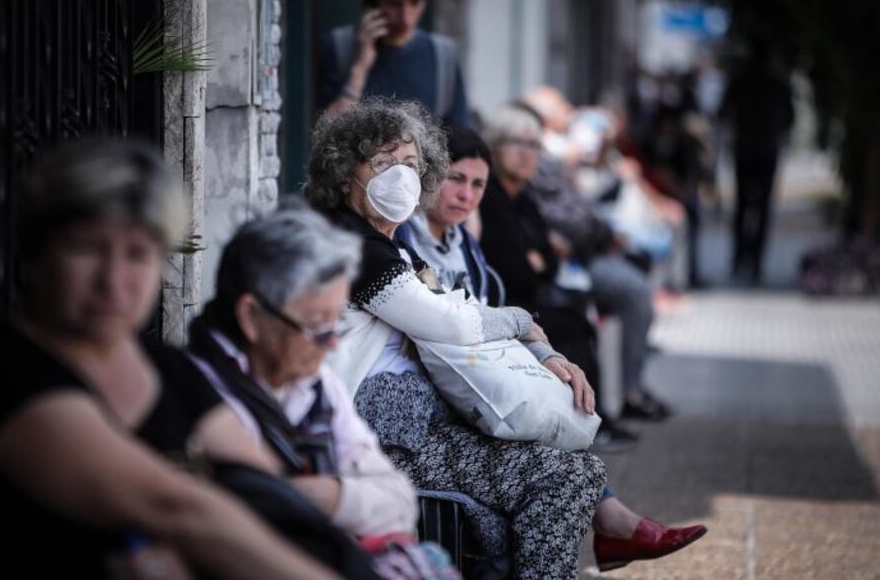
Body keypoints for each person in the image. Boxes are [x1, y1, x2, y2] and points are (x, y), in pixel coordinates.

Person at [0, 139, 348, 580]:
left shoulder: (168, 368)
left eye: (138, 255)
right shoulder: (2, 373)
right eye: (86, 248)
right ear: (36, 253)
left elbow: (267, 494)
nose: (112, 281)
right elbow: (176, 509)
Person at [305, 97, 607, 579]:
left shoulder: (391, 248)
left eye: (410, 163)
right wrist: (521, 322)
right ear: (346, 172)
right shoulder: (355, 248)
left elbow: (460, 305)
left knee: (574, 466)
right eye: (382, 163)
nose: (400, 175)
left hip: (421, 427)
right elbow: (452, 325)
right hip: (383, 438)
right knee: (566, 474)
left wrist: (543, 349)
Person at [426, 126, 707, 572]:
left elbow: (522, 281)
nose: (466, 194)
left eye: (477, 184)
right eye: (455, 179)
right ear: (428, 176)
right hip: (450, 390)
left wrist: (546, 354)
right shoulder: (417, 249)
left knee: (567, 353)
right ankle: (615, 522)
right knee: (572, 458)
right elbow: (487, 304)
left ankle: (614, 519)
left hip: (482, 367)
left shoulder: (461, 242)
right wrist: (529, 328)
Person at [186, 205, 419, 538]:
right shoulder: (195, 391)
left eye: (336, 323)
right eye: (318, 327)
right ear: (252, 317)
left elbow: (401, 504)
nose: (333, 344)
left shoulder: (318, 386)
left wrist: (322, 495)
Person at [521, 90, 674, 421]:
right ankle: (628, 393)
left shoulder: (557, 153)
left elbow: (576, 210)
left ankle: (631, 383)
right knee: (632, 292)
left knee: (637, 271)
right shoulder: (547, 156)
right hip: (573, 260)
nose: (570, 110)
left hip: (581, 252)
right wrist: (601, 237)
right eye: (562, 107)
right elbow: (566, 218)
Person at [317, 0, 470, 127]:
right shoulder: (339, 48)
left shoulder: (443, 56)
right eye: (394, 3)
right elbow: (324, 134)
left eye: (415, 3)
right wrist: (359, 70)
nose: (406, 18)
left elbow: (461, 140)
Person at [720, 42, 794, 283]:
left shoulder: (740, 81)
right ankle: (756, 260)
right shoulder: (777, 83)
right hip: (766, 150)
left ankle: (741, 257)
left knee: (742, 207)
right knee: (762, 208)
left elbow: (724, 112)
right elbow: (789, 118)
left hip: (745, 149)